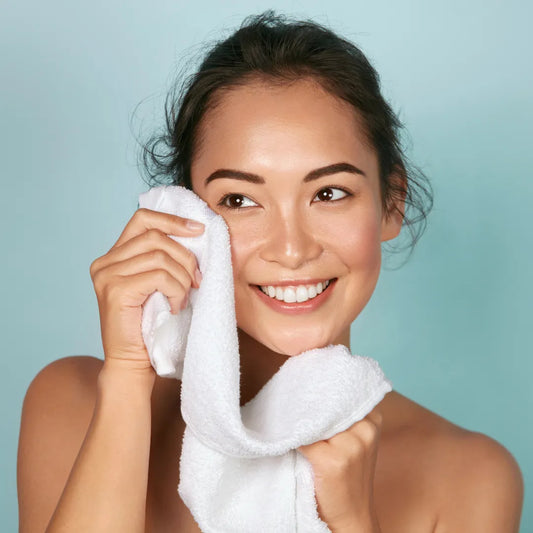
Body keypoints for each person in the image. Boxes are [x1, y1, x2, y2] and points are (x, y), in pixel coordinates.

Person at [17, 10, 524, 533]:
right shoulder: (74, 404)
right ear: (187, 215)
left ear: (390, 204)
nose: (291, 250)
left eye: (329, 193)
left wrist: (354, 522)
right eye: (239, 199)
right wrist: (126, 378)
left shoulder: (469, 477)